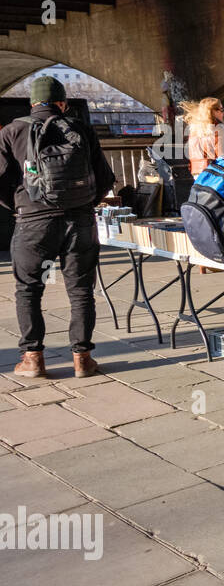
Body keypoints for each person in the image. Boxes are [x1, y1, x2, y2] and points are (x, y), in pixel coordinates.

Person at [0, 76, 116, 378]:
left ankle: (33, 359)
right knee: (80, 292)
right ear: (62, 103)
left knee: (28, 290)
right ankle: (83, 359)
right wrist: (85, 204)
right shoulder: (81, 129)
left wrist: (20, 207)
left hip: (33, 222)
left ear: (33, 103)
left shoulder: (12, 131)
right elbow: (105, 178)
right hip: (79, 221)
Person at [182, 96, 224, 176]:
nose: (223, 113)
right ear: (212, 111)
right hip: (214, 172)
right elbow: (222, 156)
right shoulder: (217, 129)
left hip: (196, 172)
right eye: (221, 110)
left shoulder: (194, 129)